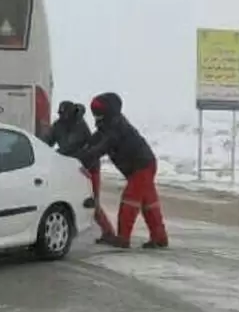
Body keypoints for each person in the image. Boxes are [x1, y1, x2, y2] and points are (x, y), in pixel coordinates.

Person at [74, 92, 169, 249]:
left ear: (108, 111)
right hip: (140, 166)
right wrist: (80, 151)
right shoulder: (108, 126)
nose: (96, 116)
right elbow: (94, 142)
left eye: (98, 112)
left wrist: (84, 158)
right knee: (149, 204)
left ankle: (123, 238)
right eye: (94, 112)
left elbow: (101, 147)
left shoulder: (116, 128)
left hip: (141, 166)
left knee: (129, 200)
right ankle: (159, 237)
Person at [45, 101, 115, 240]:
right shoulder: (58, 125)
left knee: (91, 202)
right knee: (65, 199)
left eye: (64, 114)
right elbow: (47, 141)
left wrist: (56, 155)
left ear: (72, 114)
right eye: (60, 114)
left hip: (88, 168)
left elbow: (70, 146)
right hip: (69, 167)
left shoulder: (80, 126)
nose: (62, 117)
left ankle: (109, 233)